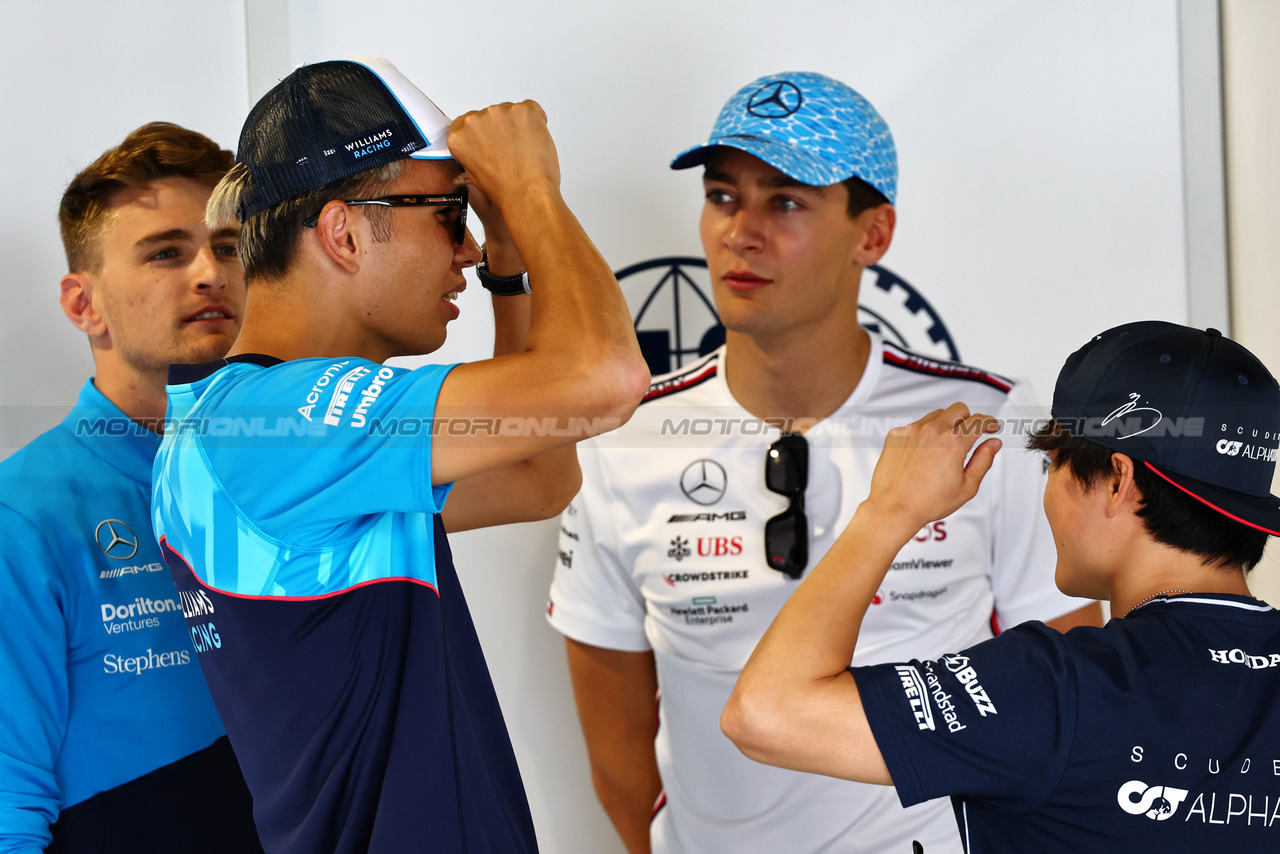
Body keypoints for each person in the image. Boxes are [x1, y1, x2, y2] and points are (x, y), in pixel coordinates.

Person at [547, 71, 1101, 854]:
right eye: (723, 195)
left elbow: (1065, 695)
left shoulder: (989, 423)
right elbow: (617, 753)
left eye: (786, 201)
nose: (741, 231)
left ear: (872, 235)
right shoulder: (622, 439)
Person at [150, 58, 648, 854]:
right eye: (450, 216)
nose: (467, 250)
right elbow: (607, 381)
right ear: (343, 233)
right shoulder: (275, 422)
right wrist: (531, 190)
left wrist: (511, 266)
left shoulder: (257, 425)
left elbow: (538, 477)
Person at [726, 321, 1280, 852]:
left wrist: (889, 512)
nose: (1048, 494)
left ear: (1116, 481)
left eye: (1054, 464)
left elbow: (764, 713)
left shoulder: (1056, 686)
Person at [0, 123, 262, 853]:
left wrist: (509, 264)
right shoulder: (22, 517)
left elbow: (537, 479)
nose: (210, 272)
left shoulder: (282, 467)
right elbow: (6, 812)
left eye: (228, 246)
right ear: (84, 305)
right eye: (167, 253)